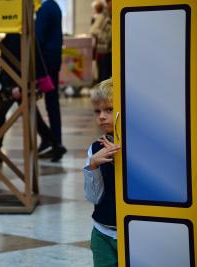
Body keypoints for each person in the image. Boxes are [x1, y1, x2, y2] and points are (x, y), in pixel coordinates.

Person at [0, 33, 56, 164]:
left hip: (13, 86)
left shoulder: (13, 38)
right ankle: (55, 144)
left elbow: (13, 62)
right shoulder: (26, 35)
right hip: (22, 84)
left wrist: (14, 85)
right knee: (34, 116)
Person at [83, 78, 120, 267]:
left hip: (132, 231)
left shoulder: (140, 148)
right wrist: (93, 166)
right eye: (98, 111)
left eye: (109, 109)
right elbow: (93, 197)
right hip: (102, 232)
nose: (102, 117)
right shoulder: (95, 148)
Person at [32, 0, 67, 162]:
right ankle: (54, 141)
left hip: (45, 63)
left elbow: (38, 38)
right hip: (53, 61)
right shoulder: (54, 6)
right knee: (51, 103)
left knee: (49, 104)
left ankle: (54, 141)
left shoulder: (46, 8)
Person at [95, 0, 112, 83]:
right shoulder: (103, 16)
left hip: (112, 51)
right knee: (104, 78)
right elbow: (94, 30)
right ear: (108, 1)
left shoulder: (113, 14)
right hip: (104, 52)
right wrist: (105, 33)